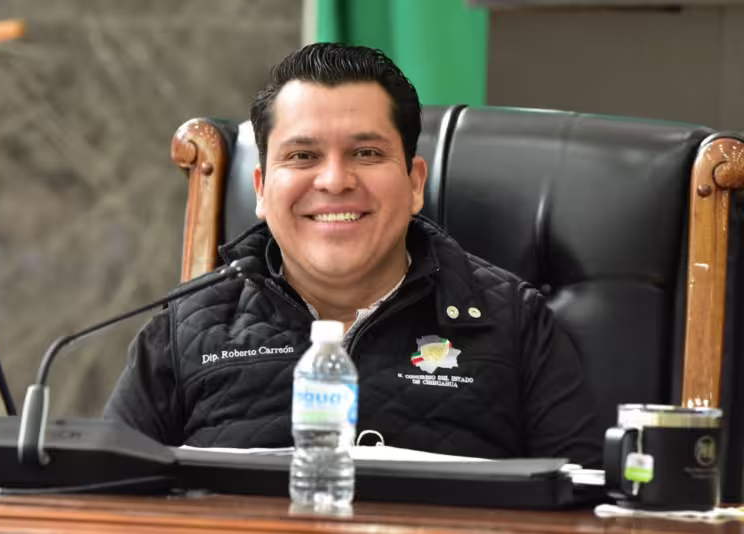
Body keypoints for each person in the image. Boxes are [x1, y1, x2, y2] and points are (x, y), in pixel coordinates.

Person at [104, 42, 603, 467]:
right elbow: (102, 500)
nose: (334, 180)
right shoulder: (186, 326)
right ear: (261, 189)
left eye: (366, 153)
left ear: (414, 183)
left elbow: (589, 512)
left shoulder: (514, 323)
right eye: (303, 156)